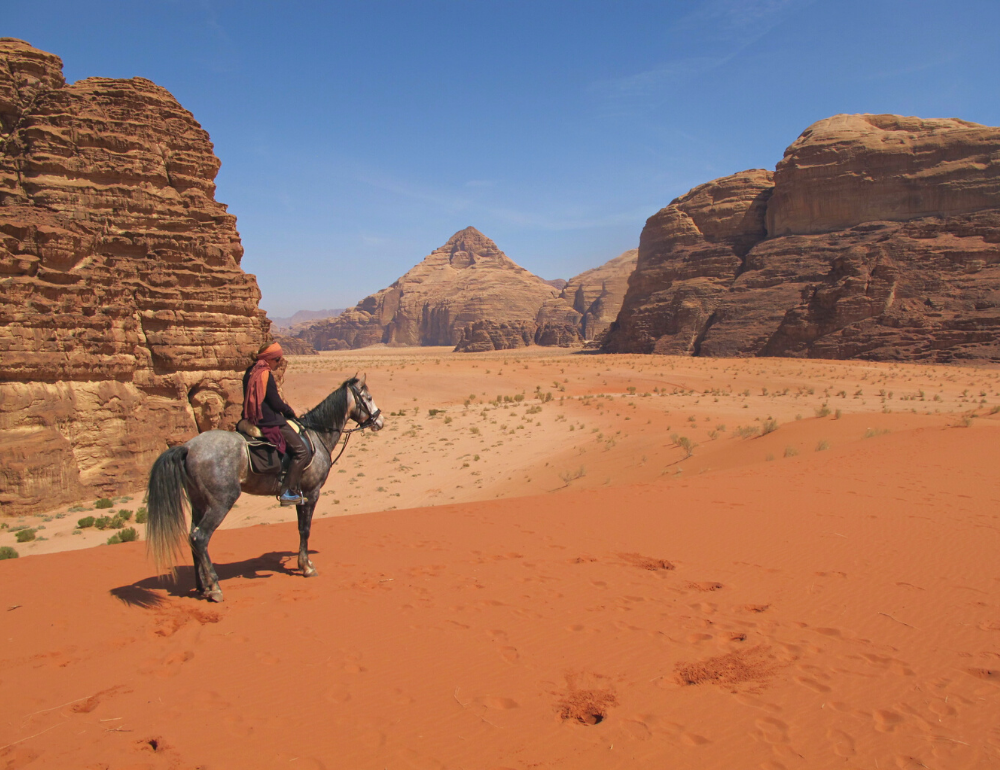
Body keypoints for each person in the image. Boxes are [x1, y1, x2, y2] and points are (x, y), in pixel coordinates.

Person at [242, 342, 308, 506]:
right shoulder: (265, 375)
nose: (278, 363)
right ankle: (287, 491)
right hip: (269, 420)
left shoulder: (249, 372)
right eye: (277, 359)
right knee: (302, 452)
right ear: (269, 359)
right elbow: (275, 402)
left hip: (251, 417)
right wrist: (289, 411)